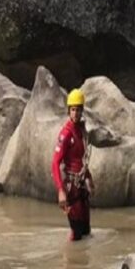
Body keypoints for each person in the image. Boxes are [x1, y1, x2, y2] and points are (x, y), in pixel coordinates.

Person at [51, 89, 95, 241]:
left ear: (82, 111)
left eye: (78, 110)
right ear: (69, 111)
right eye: (73, 110)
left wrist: (89, 178)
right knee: (75, 234)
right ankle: (68, 262)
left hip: (82, 186)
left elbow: (83, 159)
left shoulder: (81, 131)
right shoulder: (66, 133)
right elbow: (55, 163)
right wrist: (61, 191)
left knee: (86, 232)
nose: (75, 113)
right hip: (71, 188)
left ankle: (82, 262)